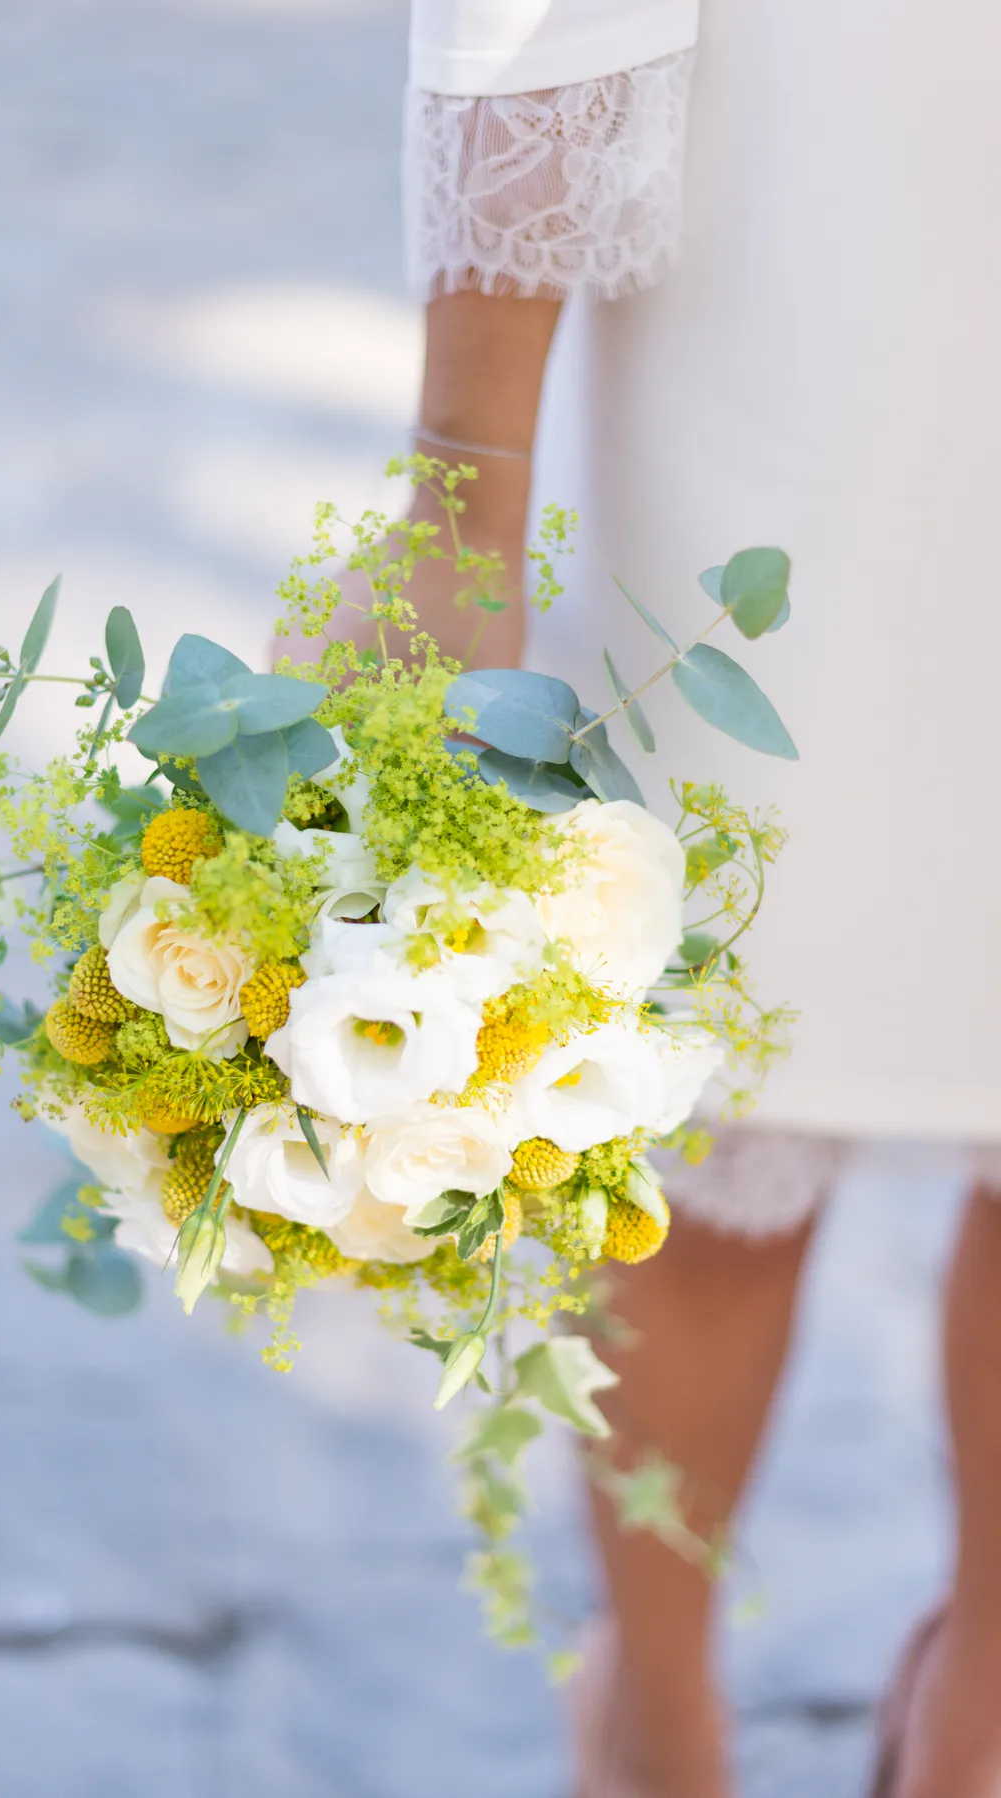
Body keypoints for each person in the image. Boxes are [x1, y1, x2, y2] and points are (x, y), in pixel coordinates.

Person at [279, 2, 1001, 1794]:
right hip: (823, 243)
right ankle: (672, 1716)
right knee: (715, 1056)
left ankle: (968, 1703)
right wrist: (466, 479)